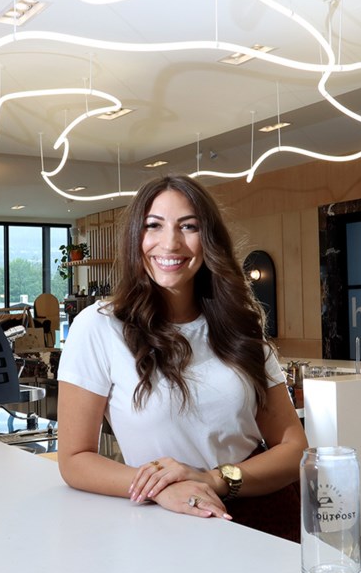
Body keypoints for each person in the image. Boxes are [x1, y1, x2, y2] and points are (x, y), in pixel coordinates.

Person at [57, 174, 308, 542]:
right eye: (153, 226)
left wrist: (213, 480)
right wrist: (157, 487)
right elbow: (74, 459)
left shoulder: (240, 326)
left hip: (263, 518)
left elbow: (293, 447)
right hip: (166, 521)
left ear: (208, 240)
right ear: (134, 238)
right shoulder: (99, 327)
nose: (170, 243)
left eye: (188, 226)